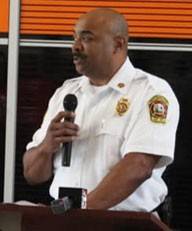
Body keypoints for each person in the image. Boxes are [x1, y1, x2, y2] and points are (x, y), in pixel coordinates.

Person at [23, 8, 179, 212]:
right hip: (67, 219)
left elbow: (139, 166)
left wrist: (81, 211)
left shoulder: (151, 92)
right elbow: (33, 175)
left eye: (87, 39)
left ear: (118, 44)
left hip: (125, 223)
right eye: (75, 38)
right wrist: (46, 146)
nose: (75, 47)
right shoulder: (66, 93)